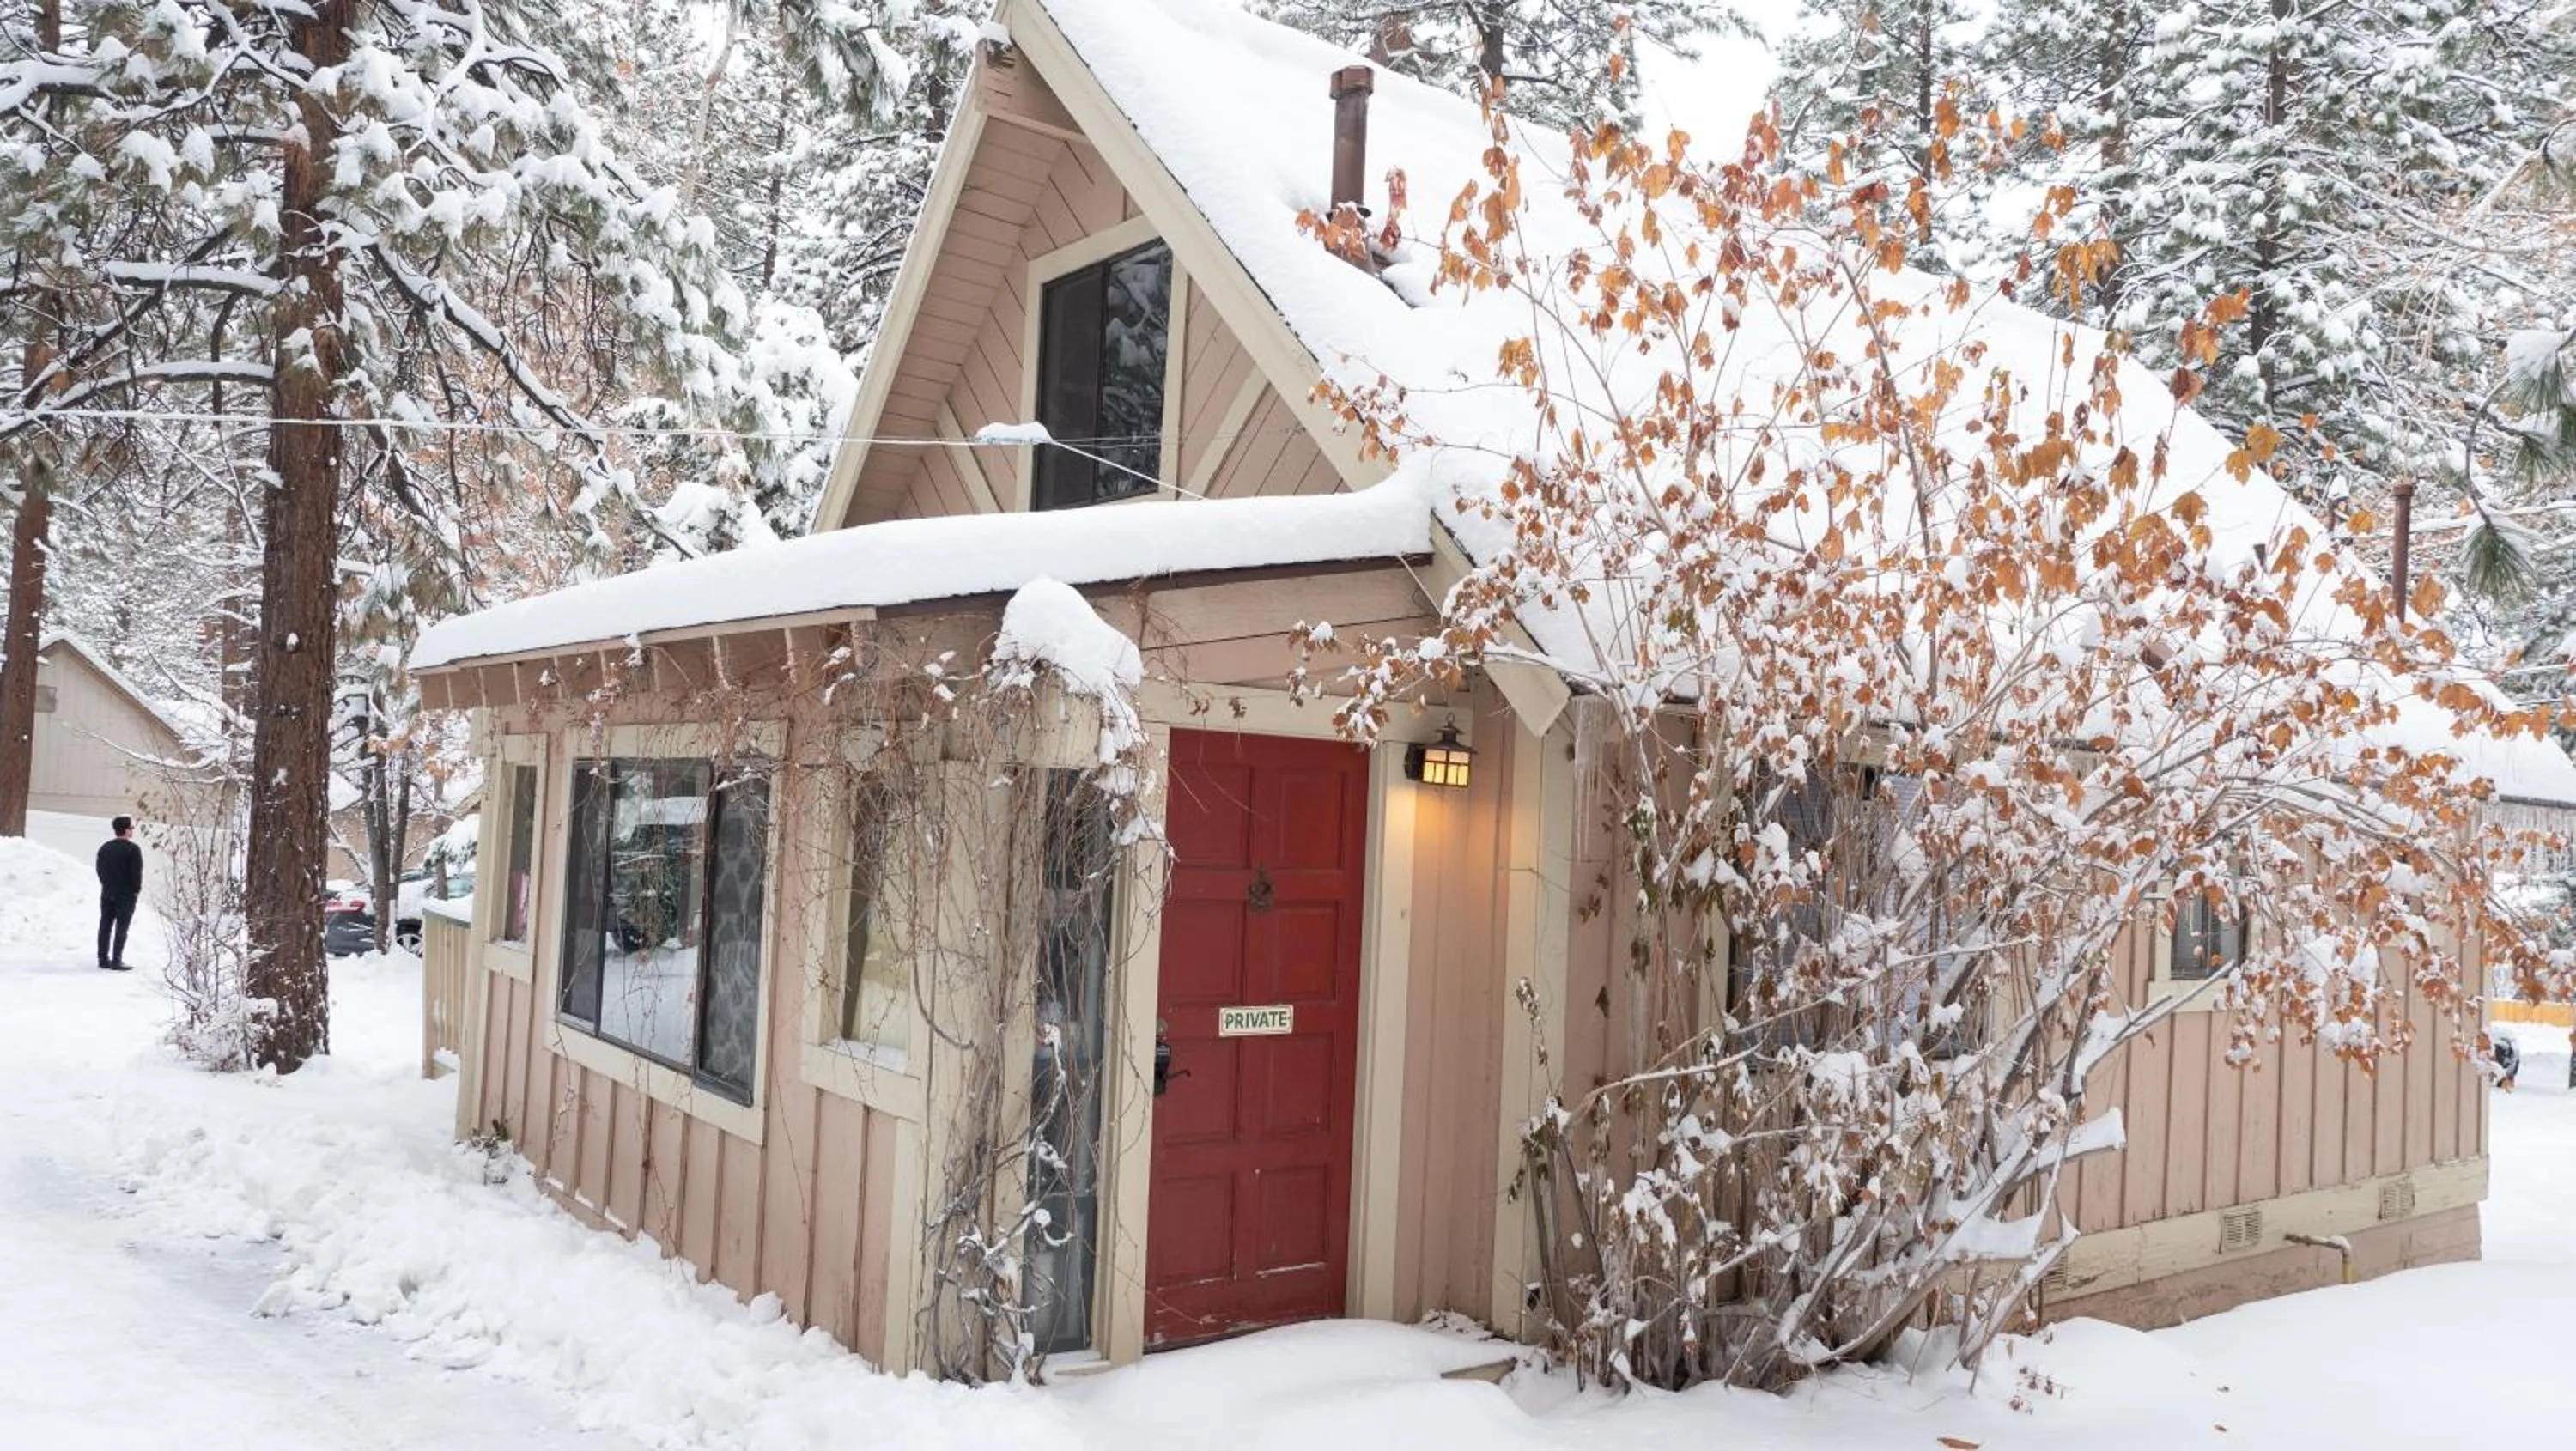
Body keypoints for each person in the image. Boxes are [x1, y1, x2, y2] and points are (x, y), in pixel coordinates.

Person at [95, 816, 143, 972]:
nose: (132, 831)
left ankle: (103, 959)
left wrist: (106, 884)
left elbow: (100, 869)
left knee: (105, 925)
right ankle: (117, 959)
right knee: (122, 928)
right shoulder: (133, 850)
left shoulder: (105, 848)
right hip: (126, 895)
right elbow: (136, 873)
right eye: (131, 828)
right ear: (126, 830)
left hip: (107, 892)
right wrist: (136, 890)